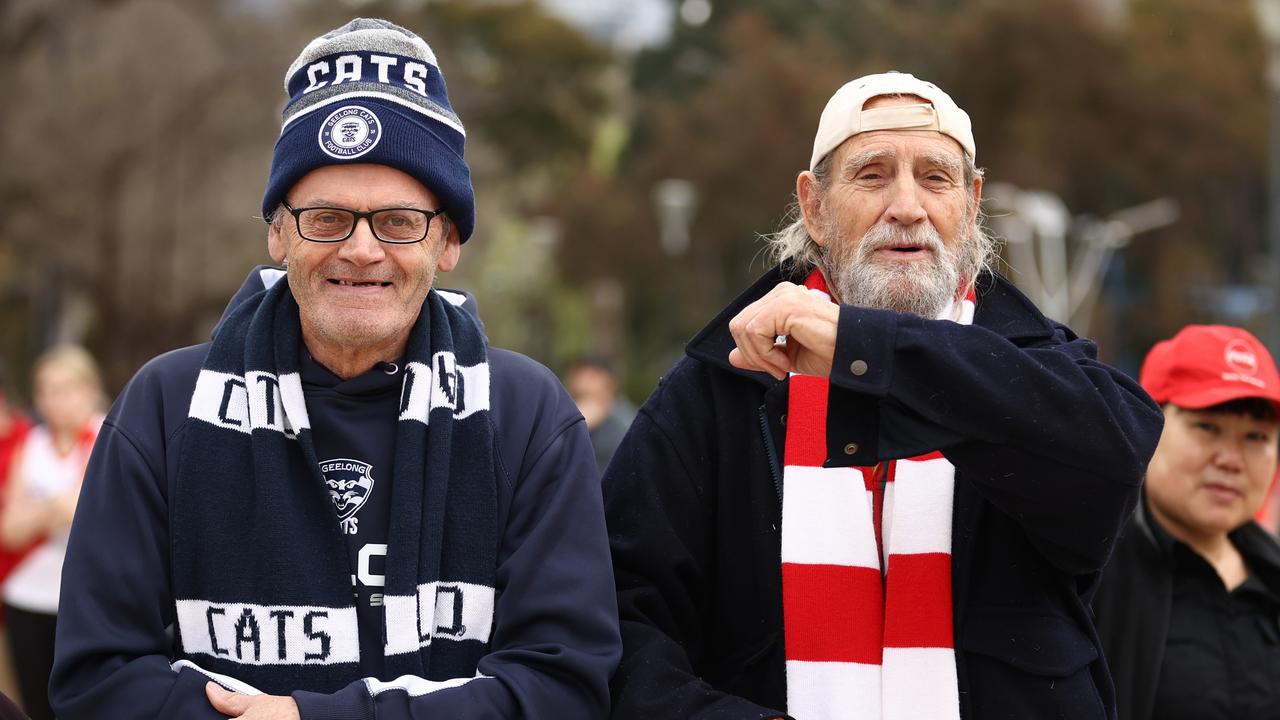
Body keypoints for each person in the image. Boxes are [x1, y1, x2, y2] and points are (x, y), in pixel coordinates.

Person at [50, 18, 619, 720]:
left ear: (447, 241)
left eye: (399, 221)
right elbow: (95, 679)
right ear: (278, 231)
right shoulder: (165, 408)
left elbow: (564, 688)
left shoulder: (529, 417)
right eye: (325, 218)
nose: (360, 250)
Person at [603, 71, 1163, 720]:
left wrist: (864, 347)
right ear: (813, 206)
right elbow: (622, 625)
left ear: (972, 204)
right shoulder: (717, 390)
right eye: (872, 174)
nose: (906, 206)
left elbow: (1116, 458)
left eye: (935, 177)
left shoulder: (1038, 370)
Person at [1093, 325, 1280, 720]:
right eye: (1207, 427)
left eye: (1256, 437)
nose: (1231, 459)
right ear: (1145, 424)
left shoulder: (1270, 575)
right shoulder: (1088, 575)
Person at [0, 346, 103, 720]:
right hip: (27, 594)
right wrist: (57, 507)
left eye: (64, 388)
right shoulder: (32, 443)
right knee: (32, 705)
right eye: (45, 390)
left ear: (89, 389)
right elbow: (10, 529)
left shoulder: (109, 436)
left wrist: (42, 510)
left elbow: (96, 517)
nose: (53, 400)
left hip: (82, 599)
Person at [566, 356, 636, 475]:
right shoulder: (570, 413)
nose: (581, 382)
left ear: (607, 381)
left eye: (590, 376)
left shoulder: (625, 421)